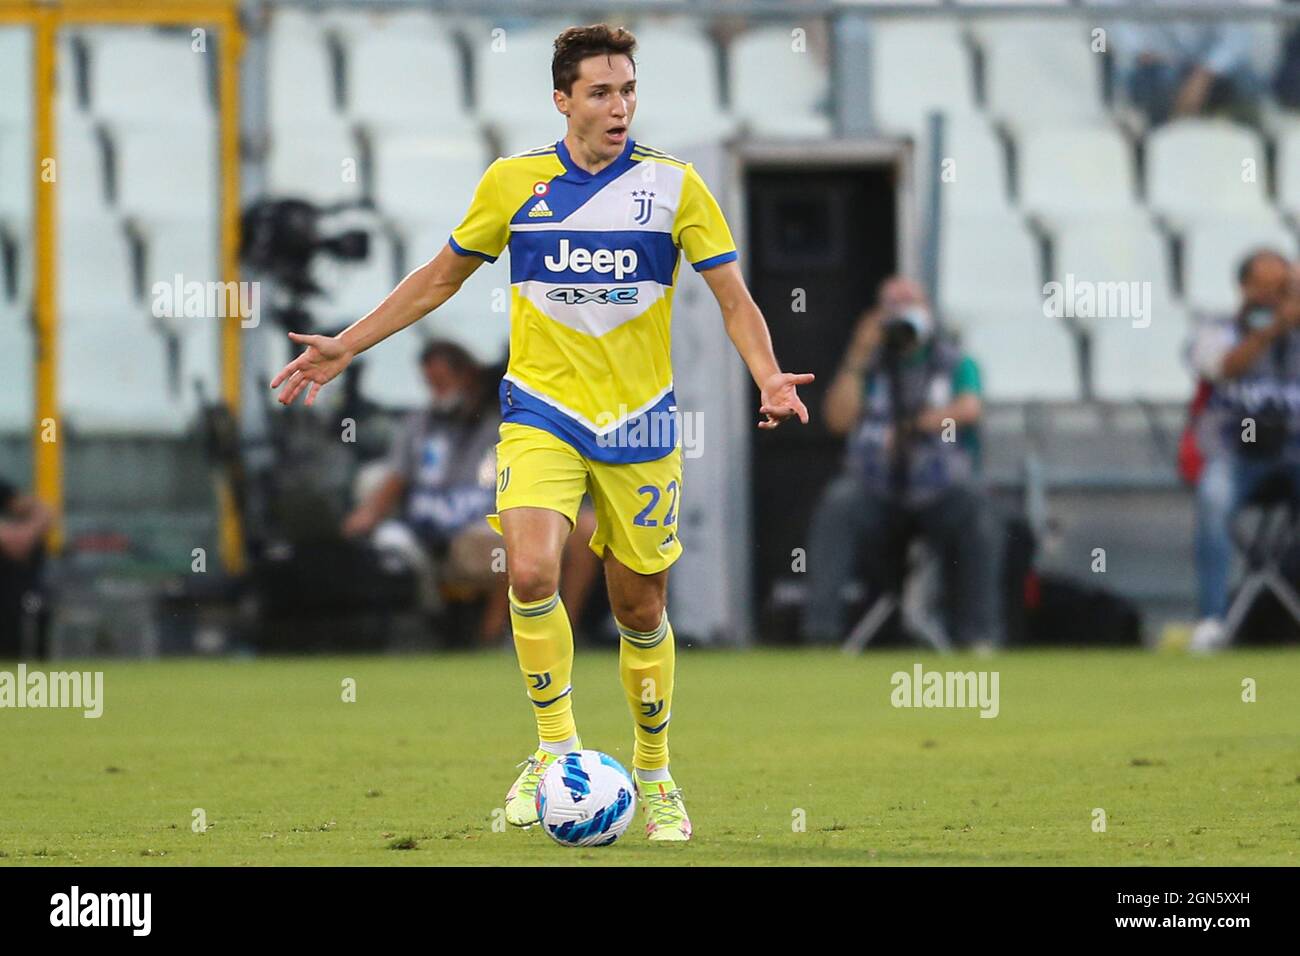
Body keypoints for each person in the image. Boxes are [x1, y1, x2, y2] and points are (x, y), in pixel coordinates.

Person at [268, 23, 813, 842]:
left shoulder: (675, 187)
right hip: (541, 415)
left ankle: (655, 773)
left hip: (640, 425)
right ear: (563, 101)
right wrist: (348, 341)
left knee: (639, 608)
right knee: (529, 569)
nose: (619, 105)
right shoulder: (513, 184)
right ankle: (556, 752)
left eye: (628, 89)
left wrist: (767, 373)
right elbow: (438, 279)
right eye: (601, 91)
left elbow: (733, 297)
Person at [343, 340, 601, 646]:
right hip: (443, 534)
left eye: (442, 382)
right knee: (515, 545)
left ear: (466, 377)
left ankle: (562, 634)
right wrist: (362, 520)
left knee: (584, 528)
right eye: (430, 384)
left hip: (494, 519)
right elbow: (394, 482)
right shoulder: (419, 426)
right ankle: (492, 638)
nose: (437, 392)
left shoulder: (506, 422)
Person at [801, 276, 1000, 650]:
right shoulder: (870, 366)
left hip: (938, 488)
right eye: (892, 305)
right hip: (877, 489)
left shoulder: (954, 361)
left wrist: (912, 428)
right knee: (839, 505)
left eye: (910, 303)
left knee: (976, 508)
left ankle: (977, 636)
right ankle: (821, 634)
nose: (903, 313)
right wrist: (858, 355)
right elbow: (838, 419)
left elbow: (970, 407)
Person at [1189, 249, 1300, 652]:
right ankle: (1212, 619)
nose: (1275, 297)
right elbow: (1219, 367)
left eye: (1283, 288)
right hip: (1236, 454)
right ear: (1245, 288)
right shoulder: (1217, 330)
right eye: (1268, 287)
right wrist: (1268, 332)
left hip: (1293, 453)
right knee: (1212, 498)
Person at [1102, 0, 1263, 127]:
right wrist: (1140, 51)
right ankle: (1157, 141)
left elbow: (1237, 36)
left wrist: (1204, 74)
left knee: (1246, 82)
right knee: (1157, 81)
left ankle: (1236, 139)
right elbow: (1109, 15)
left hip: (1210, 73)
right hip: (1155, 68)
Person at [0, 477, 53, 658]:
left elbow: (44, 512)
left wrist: (27, 533)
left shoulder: (5, 491)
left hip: (22, 589)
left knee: (37, 609)